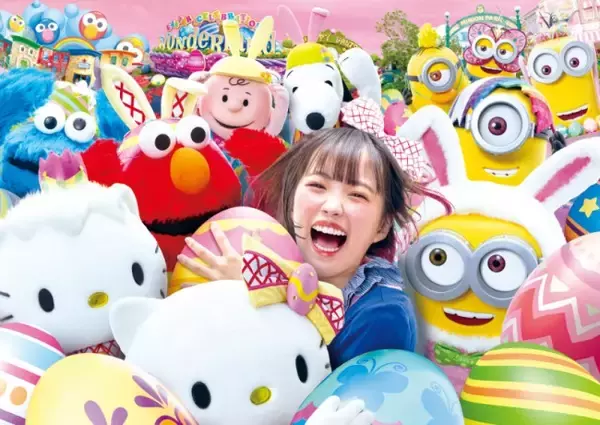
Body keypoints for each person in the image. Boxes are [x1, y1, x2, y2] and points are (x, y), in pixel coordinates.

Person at [178, 125, 448, 369]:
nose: (332, 206)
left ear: (382, 226)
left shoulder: (381, 316)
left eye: (357, 194)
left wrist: (247, 303)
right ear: (291, 202)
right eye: (317, 186)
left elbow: (299, 392)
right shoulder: (264, 263)